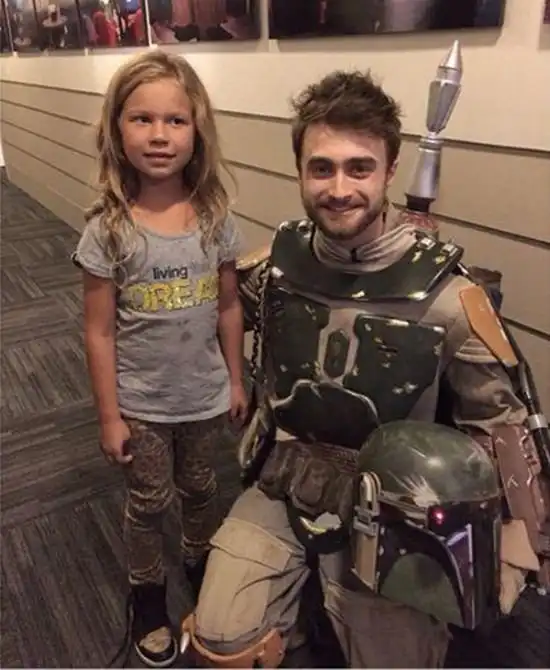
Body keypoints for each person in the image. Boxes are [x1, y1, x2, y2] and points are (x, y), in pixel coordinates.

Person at [179, 68, 550, 668]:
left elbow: (501, 428)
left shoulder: (449, 299)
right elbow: (206, 320)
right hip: (288, 473)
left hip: (397, 504)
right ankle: (301, 611)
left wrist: (511, 547)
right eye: (321, 168)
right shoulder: (274, 271)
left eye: (359, 168)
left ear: (390, 170)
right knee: (221, 640)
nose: (339, 188)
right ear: (299, 169)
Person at [71, 50, 248, 668]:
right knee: (149, 503)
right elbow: (99, 332)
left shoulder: (216, 221)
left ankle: (201, 566)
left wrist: (236, 380)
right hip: (142, 404)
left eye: (175, 120)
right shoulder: (108, 232)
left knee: (200, 489)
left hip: (203, 397)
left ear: (197, 130)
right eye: (141, 119)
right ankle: (147, 595)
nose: (159, 135)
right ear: (116, 129)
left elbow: (230, 307)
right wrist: (109, 417)